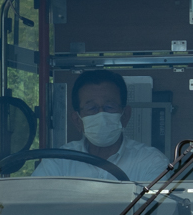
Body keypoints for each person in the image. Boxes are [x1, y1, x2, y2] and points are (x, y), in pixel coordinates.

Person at [33, 69, 169, 183]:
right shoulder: (58, 163)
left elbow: (156, 213)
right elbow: (34, 207)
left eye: (109, 106)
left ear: (125, 115)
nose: (101, 114)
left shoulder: (151, 162)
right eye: (91, 107)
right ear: (77, 120)